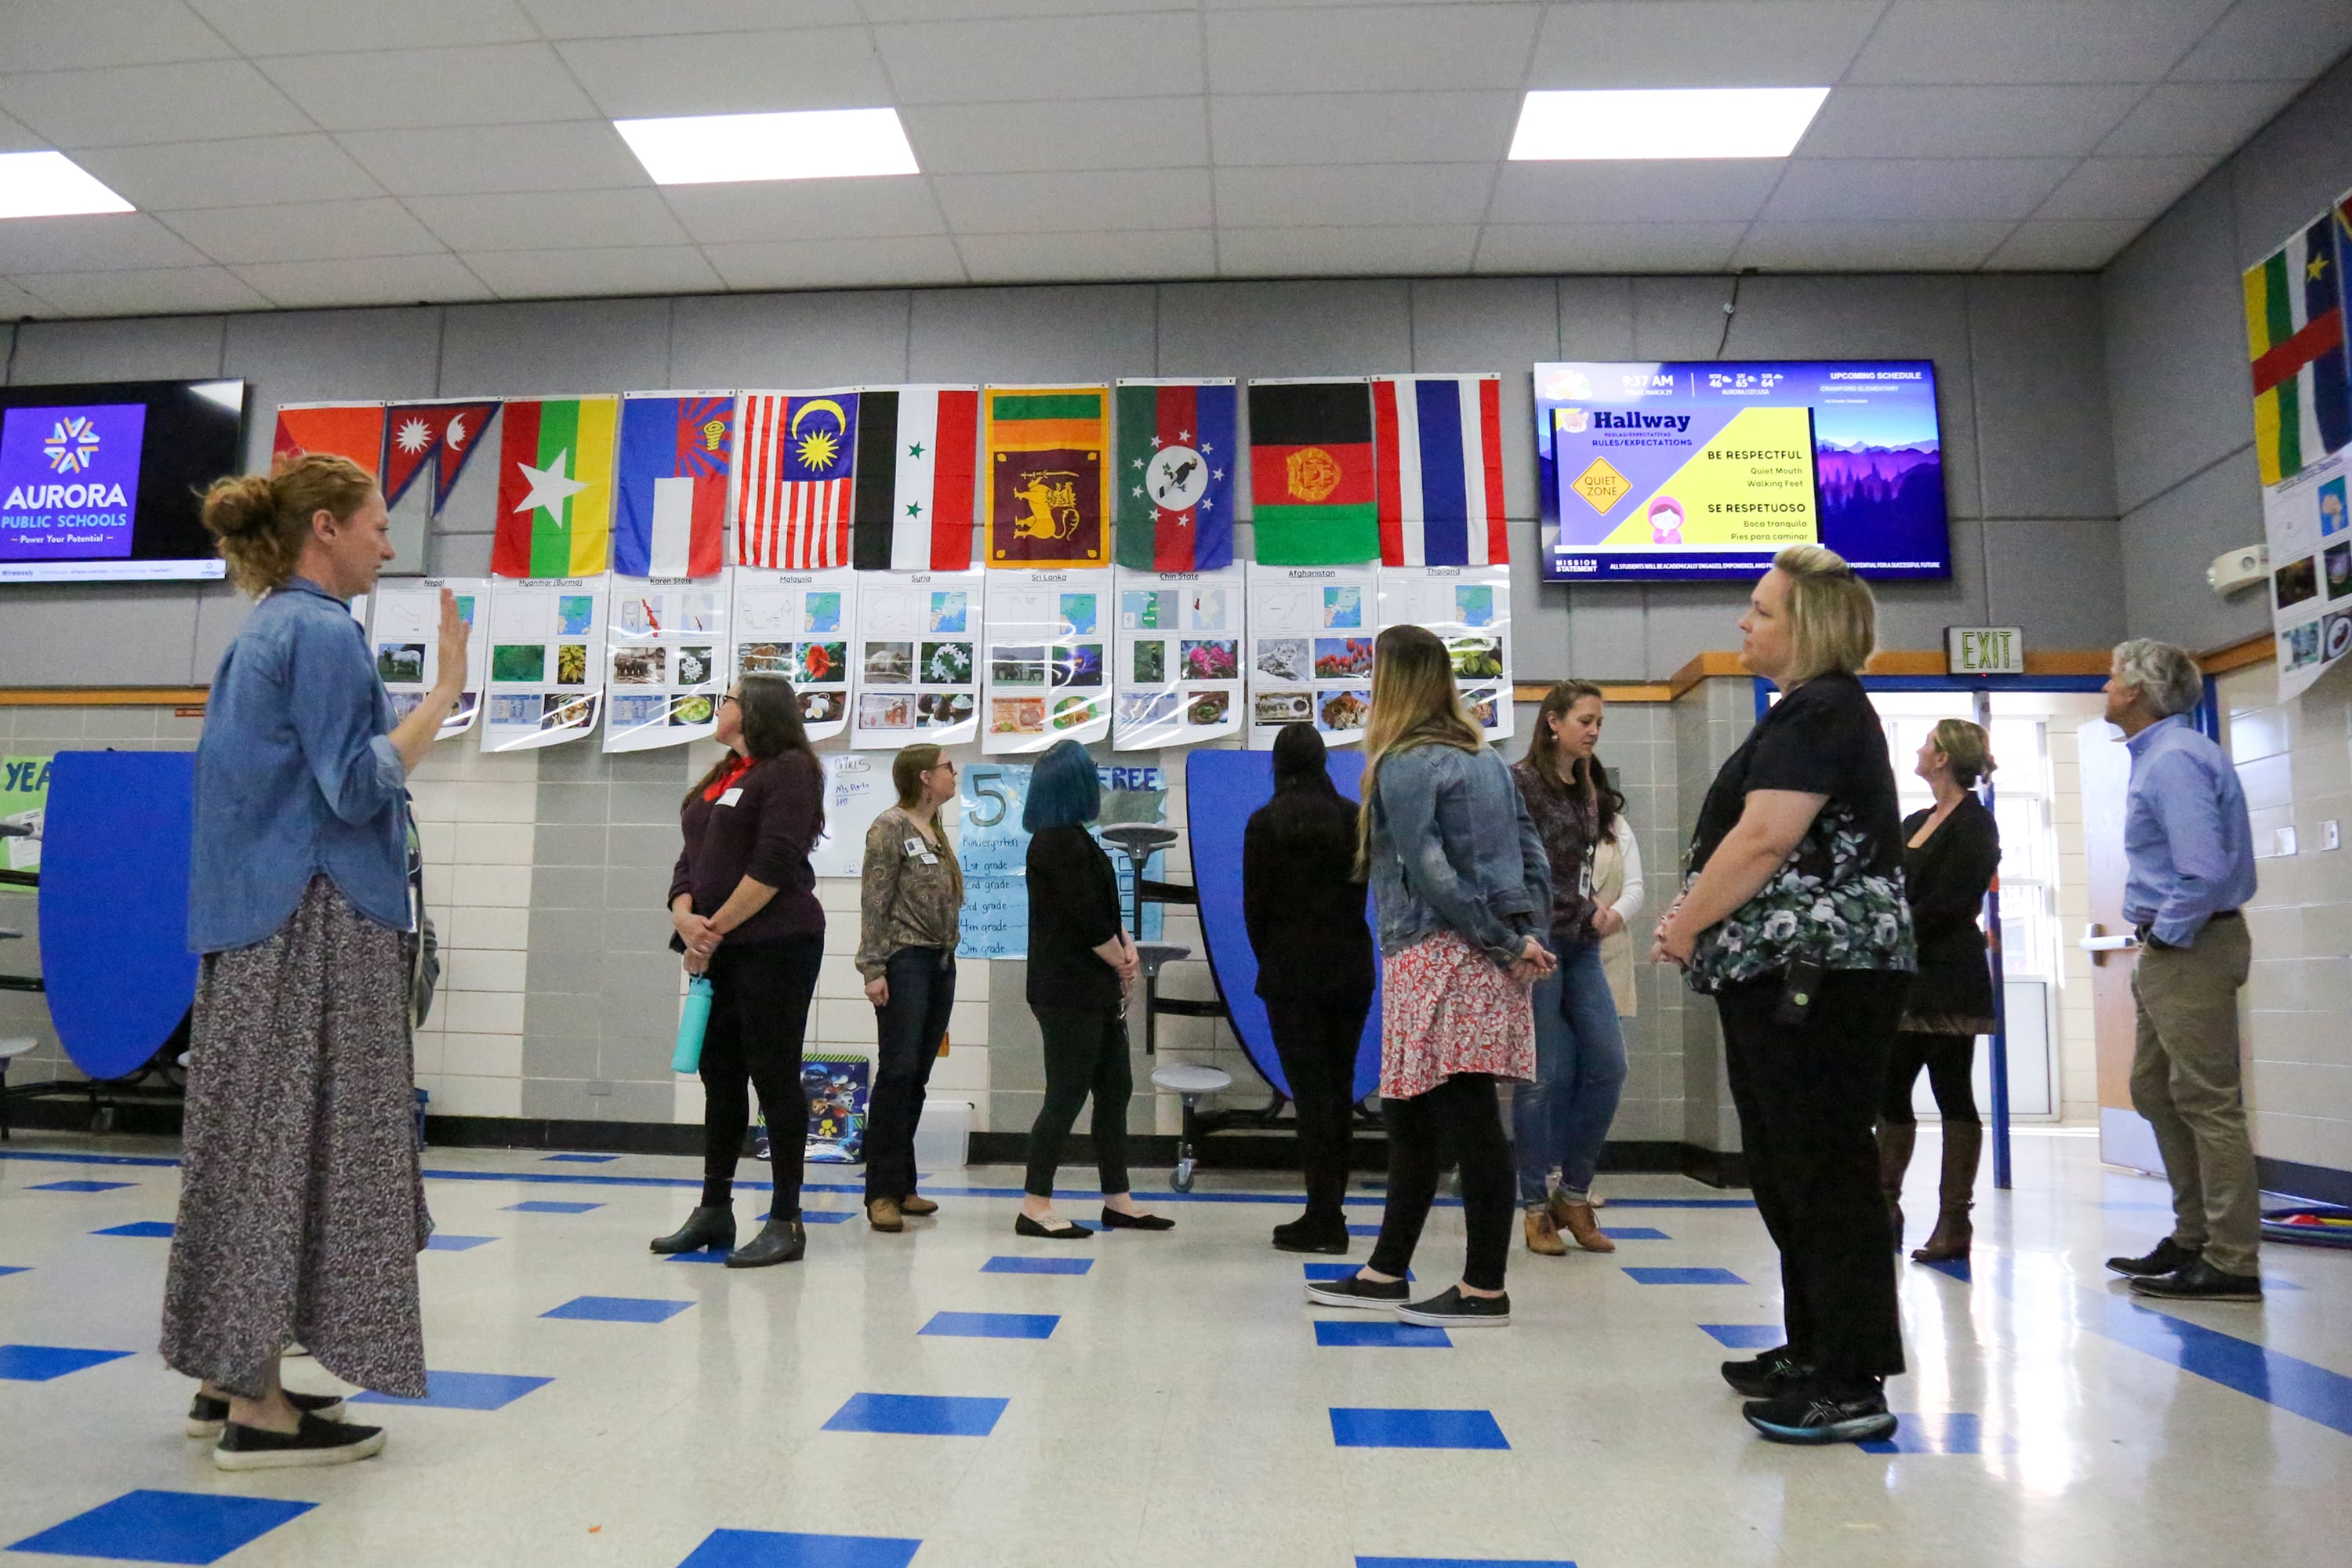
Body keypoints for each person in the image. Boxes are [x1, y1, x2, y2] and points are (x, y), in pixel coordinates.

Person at [162, 455, 470, 1469]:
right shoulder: (322, 633)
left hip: (256, 926)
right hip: (316, 925)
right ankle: (257, 1415)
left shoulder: (262, 634)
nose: (390, 544)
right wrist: (445, 699)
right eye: (379, 526)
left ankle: (230, 1373)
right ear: (327, 528)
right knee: (305, 1150)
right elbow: (355, 785)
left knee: (253, 1148)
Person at [1651, 544, 1915, 1446]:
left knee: (1823, 1164)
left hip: (1822, 975)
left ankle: (1853, 1375)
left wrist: (1684, 920)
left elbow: (1764, 838)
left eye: (1760, 610)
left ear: (1806, 625)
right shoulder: (1806, 711)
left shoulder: (1823, 708)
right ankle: (1814, 1344)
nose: (1744, 621)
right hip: (1786, 972)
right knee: (1785, 1160)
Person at [1306, 626, 1553, 1328]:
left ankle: (1484, 1288)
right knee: (1411, 1113)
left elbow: (1428, 867)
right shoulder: (1487, 759)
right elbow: (1530, 852)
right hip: (1485, 948)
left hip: (1441, 950)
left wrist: (1503, 938)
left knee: (1468, 1118)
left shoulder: (1406, 762)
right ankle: (1387, 1270)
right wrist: (1523, 931)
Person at [2098, 638, 2262, 1302]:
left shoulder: (2174, 761)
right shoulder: (2161, 757)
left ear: (2136, 691)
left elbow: (2202, 869)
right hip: (2173, 945)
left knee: (2207, 1102)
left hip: (2190, 945)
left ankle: (2231, 1258)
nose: (2104, 687)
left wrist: (2165, 937)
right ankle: (2193, 1236)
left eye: (2112, 677)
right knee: (2155, 1090)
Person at [652, 674, 826, 1269]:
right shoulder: (725, 773)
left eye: (727, 698)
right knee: (718, 1073)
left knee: (772, 1075)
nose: (718, 705)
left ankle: (785, 1219)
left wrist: (713, 927)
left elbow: (775, 862)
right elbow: (689, 859)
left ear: (753, 711)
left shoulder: (789, 770)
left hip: (777, 943)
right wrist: (685, 916)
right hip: (718, 945)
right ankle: (714, 1208)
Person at [1018, 739, 1172, 1239]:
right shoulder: (1054, 843)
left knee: (1115, 1090)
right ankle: (1035, 1204)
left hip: (1092, 987)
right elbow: (1085, 921)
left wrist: (1126, 950)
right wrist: (1122, 963)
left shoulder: (1080, 840)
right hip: (1066, 990)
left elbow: (1107, 911)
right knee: (1065, 1094)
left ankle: (1118, 1199)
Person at [1511, 681, 1636, 1257]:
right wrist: (1515, 936)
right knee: (1542, 1077)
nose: (1593, 731)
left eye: (1598, 723)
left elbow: (1583, 869)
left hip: (1581, 939)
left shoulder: (1588, 784)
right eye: (1585, 720)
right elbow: (1506, 864)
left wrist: (1600, 912)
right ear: (1553, 723)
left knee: (1609, 1065)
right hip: (1538, 944)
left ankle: (1574, 1193)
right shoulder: (1522, 783)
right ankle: (1535, 1207)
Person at [1243, 723, 1377, 1254]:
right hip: (1349, 970)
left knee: (1311, 1099)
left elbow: (1255, 910)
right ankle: (1332, 1213)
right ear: (1323, 763)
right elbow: (1365, 892)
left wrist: (1275, 958)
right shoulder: (1353, 819)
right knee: (1339, 1094)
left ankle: (1321, 1216)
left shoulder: (1264, 824)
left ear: (1277, 766)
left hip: (1290, 975)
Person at [1878, 719, 2001, 1264]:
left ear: (1946, 757)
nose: (1921, 750)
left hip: (1949, 972)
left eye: (1929, 743)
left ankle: (1955, 1220)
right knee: (1888, 1085)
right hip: (1904, 974)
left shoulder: (1976, 825)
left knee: (1952, 1089)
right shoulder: (1913, 820)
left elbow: (1954, 901)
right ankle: (1885, 1206)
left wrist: (1892, 926)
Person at [857, 743, 963, 1232]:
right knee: (896, 1074)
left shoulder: (933, 830)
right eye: (947, 766)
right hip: (904, 961)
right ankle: (879, 1191)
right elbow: (875, 901)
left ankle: (903, 1184)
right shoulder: (890, 826)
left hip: (940, 961)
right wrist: (872, 968)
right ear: (924, 777)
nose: (953, 772)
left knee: (916, 1076)